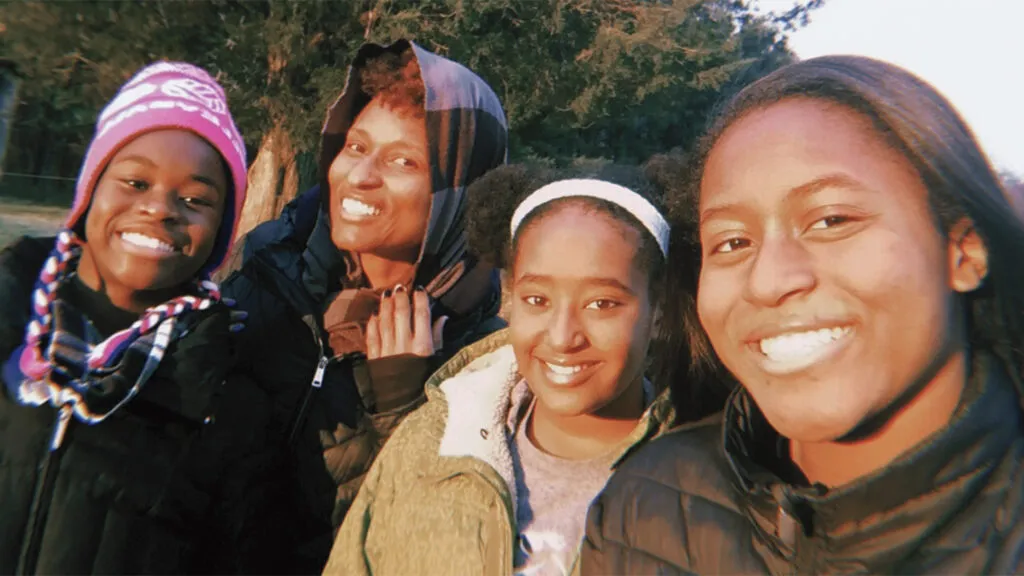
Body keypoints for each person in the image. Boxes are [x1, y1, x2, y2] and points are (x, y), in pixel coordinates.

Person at [581, 55, 1024, 574]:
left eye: (832, 219)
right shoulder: (647, 504)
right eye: (732, 242)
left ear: (963, 252)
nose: (768, 281)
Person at [221, 39, 509, 573]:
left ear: (459, 192)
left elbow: (426, 550)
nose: (360, 175)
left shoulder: (484, 363)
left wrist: (400, 411)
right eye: (356, 147)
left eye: (404, 160)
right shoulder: (266, 274)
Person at [323, 166, 677, 576]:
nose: (563, 337)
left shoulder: (705, 489)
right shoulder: (430, 442)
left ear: (659, 311)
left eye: (602, 304)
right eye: (537, 299)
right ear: (509, 298)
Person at [0, 61, 264, 573]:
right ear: (90, 190)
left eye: (194, 199)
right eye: (136, 181)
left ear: (218, 232)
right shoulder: (8, 311)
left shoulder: (226, 399)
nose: (161, 209)